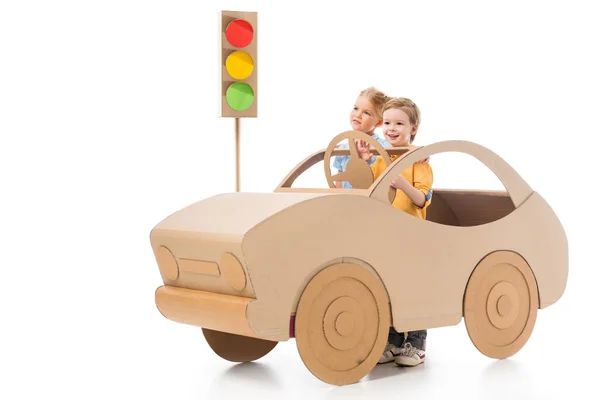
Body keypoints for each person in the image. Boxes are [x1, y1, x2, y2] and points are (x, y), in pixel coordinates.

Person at [357, 97, 433, 367]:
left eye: (399, 123)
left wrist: (402, 184)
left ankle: (416, 344)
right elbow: (368, 187)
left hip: (411, 237)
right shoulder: (382, 157)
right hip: (385, 236)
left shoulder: (419, 161)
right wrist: (367, 161)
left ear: (412, 128)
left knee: (413, 289)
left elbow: (422, 199)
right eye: (387, 122)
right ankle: (393, 340)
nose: (391, 128)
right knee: (388, 289)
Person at [332, 87, 391, 188]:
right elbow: (339, 183)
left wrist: (420, 158)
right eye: (356, 108)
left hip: (371, 202)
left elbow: (404, 157)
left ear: (379, 122)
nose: (357, 114)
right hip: (347, 201)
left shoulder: (386, 147)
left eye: (366, 113)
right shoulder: (342, 149)